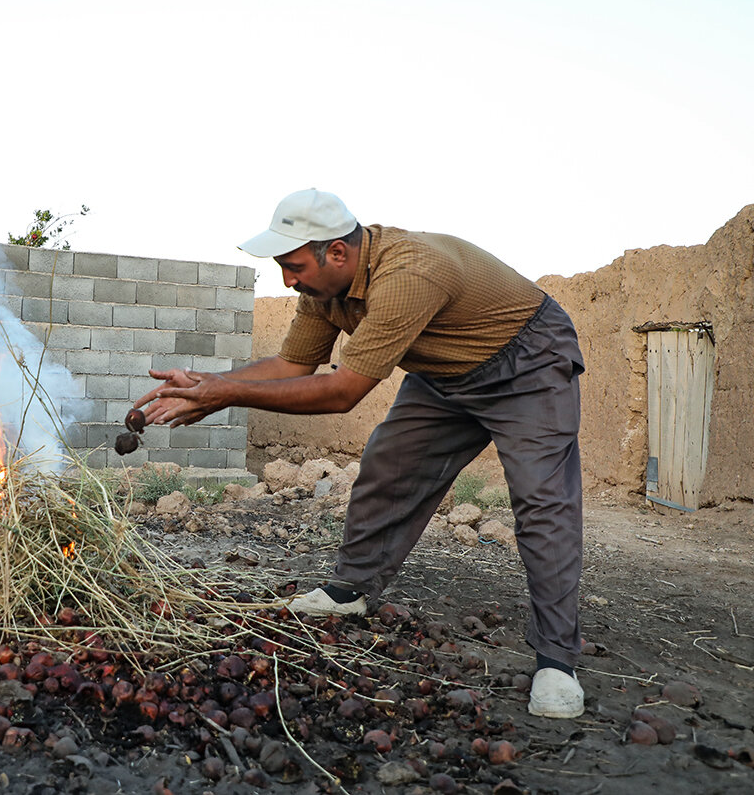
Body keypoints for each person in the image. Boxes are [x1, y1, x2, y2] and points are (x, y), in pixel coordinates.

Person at [135, 189, 586, 718]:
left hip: (525, 361)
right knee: (387, 465)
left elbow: (342, 392)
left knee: (541, 500)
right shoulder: (324, 291)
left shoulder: (410, 274)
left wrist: (226, 393)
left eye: (294, 265)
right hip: (445, 373)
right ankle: (351, 589)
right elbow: (291, 366)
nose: (287, 280)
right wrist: (210, 384)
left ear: (338, 254)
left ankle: (557, 661)